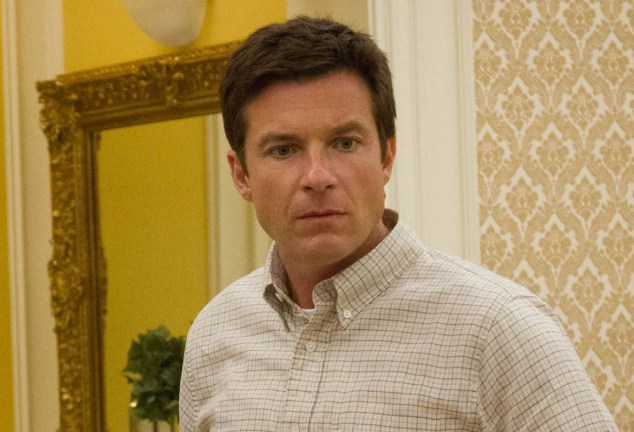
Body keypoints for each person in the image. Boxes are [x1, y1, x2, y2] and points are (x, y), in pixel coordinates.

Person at [179, 16, 618, 431]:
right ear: (241, 174)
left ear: (386, 156)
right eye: (283, 150)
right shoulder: (216, 332)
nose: (317, 176)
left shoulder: (497, 328)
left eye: (345, 143)